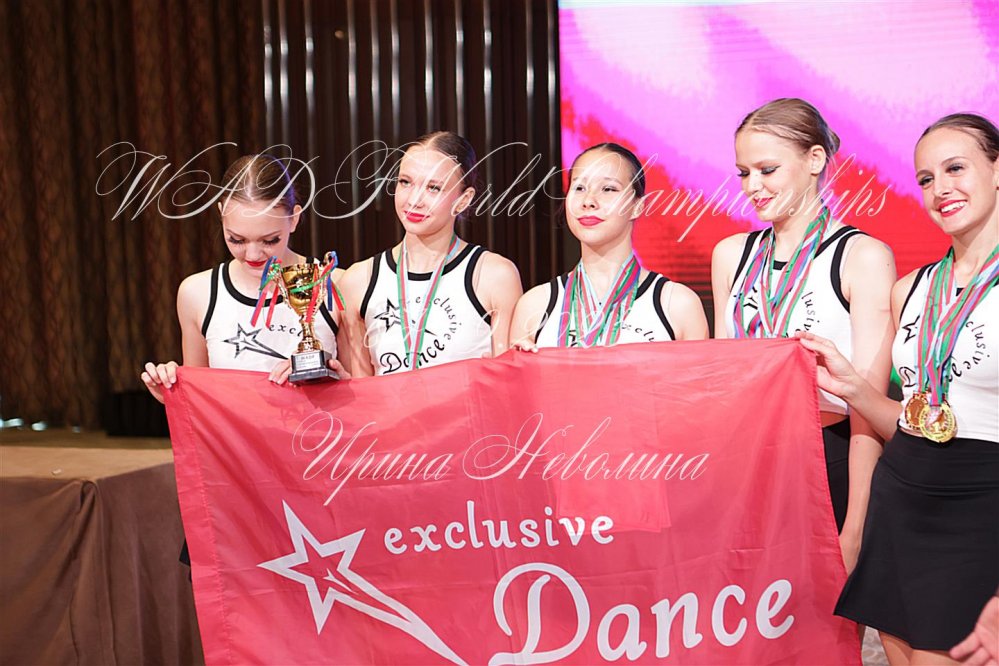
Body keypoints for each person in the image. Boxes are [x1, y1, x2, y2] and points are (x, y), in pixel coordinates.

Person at [799, 112, 999, 664]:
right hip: (901, 503)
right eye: (927, 179)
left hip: (978, 514)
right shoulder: (911, 288)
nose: (940, 189)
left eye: (955, 168)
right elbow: (912, 422)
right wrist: (854, 389)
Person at [711, 99, 896, 568]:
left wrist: (855, 527)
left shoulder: (862, 256)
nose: (752, 186)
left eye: (767, 170)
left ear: (815, 160)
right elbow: (720, 380)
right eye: (743, 173)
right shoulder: (730, 255)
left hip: (827, 458)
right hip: (747, 462)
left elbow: (866, 408)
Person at [141, 153, 348, 401]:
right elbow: (200, 403)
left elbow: (364, 397)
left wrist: (330, 378)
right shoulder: (198, 293)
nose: (253, 255)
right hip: (232, 430)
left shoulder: (336, 284)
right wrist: (170, 390)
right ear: (221, 214)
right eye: (236, 240)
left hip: (318, 426)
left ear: (294, 218)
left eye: (269, 240)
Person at [337, 131, 523, 376]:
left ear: (464, 199)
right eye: (405, 182)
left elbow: (510, 381)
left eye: (434, 188)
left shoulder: (494, 276)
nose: (414, 200)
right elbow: (361, 389)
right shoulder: (358, 281)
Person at [512, 142, 708, 348]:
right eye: (579, 188)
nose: (588, 201)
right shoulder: (535, 305)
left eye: (608, 189)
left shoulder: (677, 305)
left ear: (637, 206)